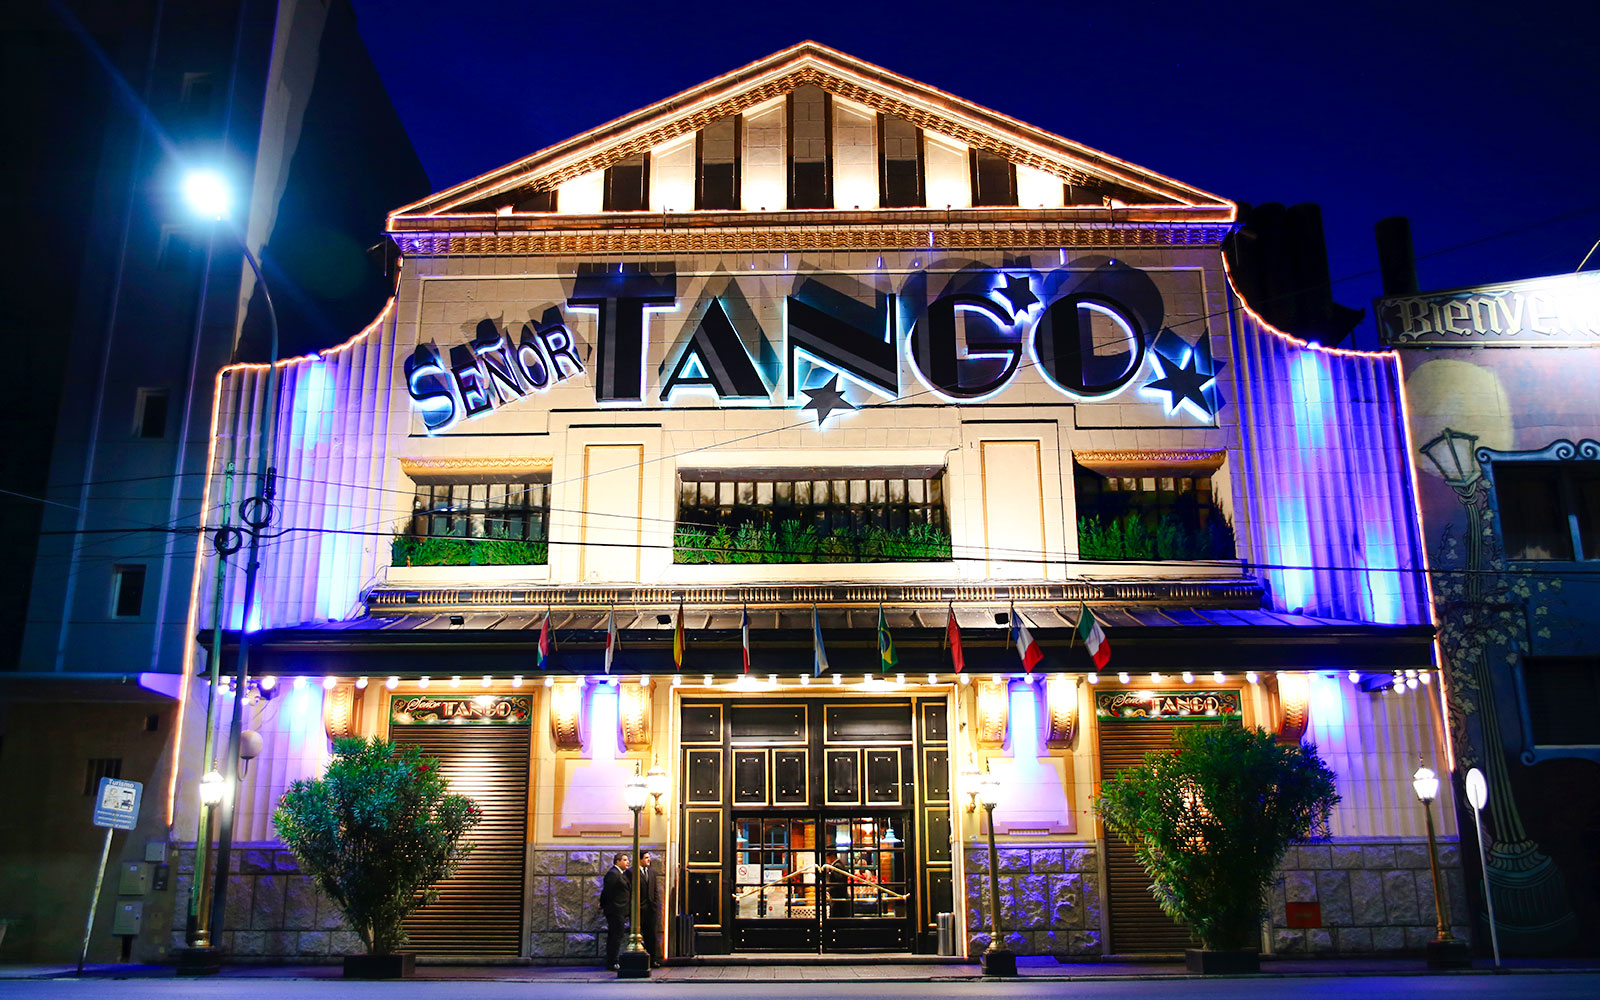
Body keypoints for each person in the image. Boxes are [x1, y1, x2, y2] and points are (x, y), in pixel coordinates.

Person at [600, 852, 631, 970]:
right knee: (615, 936)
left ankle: (613, 960)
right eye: (625, 860)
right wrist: (603, 904)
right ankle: (612, 961)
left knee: (617, 935)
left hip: (620, 910)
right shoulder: (613, 874)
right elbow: (607, 891)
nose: (627, 862)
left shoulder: (621, 873)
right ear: (617, 861)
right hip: (615, 910)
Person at [638, 851, 661, 967]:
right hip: (639, 910)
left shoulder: (652, 872)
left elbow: (655, 890)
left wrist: (655, 905)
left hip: (651, 910)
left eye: (649, 858)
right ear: (640, 859)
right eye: (646, 858)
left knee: (651, 935)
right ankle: (639, 960)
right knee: (637, 936)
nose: (649, 860)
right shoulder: (632, 872)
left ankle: (653, 960)